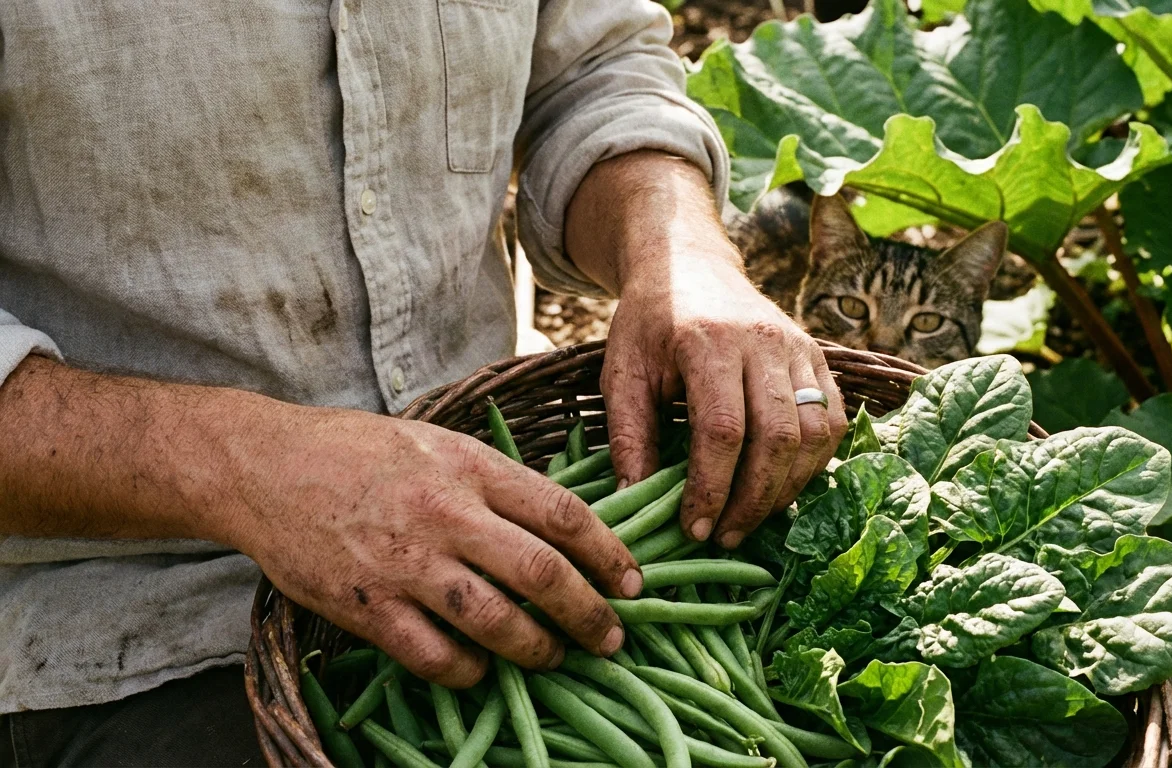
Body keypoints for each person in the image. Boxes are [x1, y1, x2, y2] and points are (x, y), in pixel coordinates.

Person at [0, 1, 849, 764]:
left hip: (510, 510)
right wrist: (252, 469)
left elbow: (591, 72)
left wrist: (677, 248)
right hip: (134, 628)